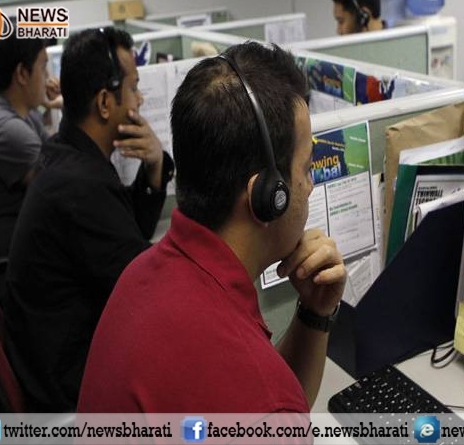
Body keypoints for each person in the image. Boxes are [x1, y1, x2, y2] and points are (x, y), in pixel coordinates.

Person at [77, 41, 347, 413]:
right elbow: (272, 404)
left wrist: (315, 313)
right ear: (267, 195)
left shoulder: (143, 273)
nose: (311, 184)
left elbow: (278, 397)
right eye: (305, 167)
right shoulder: (259, 398)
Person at [4, 26, 174, 412]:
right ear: (104, 102)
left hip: (53, 357)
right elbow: (145, 287)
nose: (140, 99)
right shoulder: (79, 185)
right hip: (67, 385)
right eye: (133, 87)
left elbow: (126, 233)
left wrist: (154, 166)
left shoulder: (66, 154)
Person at [0, 29, 48, 274]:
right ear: (22, 74)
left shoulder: (18, 112)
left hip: (16, 253)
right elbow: (60, 183)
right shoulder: (6, 130)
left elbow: (57, 157)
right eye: (43, 67)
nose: (48, 77)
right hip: (2, 268)